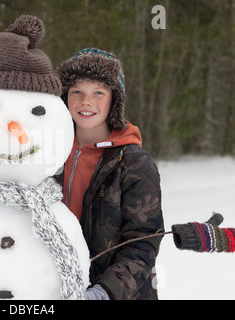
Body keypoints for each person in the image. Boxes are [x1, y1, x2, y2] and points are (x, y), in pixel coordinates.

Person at [55, 48, 164, 300]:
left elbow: (143, 243)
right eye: (77, 92)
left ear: (115, 99)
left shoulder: (134, 162)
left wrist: (105, 292)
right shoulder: (48, 152)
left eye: (98, 93)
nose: (86, 102)